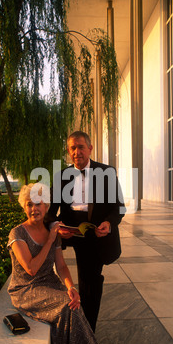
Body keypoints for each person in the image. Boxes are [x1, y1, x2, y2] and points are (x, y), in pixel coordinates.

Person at [7, 183, 127, 344]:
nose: (35, 209)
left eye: (39, 203)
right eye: (29, 204)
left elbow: (61, 267)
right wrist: (51, 240)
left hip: (49, 286)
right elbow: (31, 269)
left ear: (47, 206)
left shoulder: (52, 231)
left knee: (72, 304)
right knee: (67, 308)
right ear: (24, 207)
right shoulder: (18, 233)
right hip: (26, 290)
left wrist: (71, 287)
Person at [47, 131, 125, 333]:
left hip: (96, 232)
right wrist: (58, 227)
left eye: (81, 147)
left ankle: (88, 329)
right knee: (87, 280)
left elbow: (118, 207)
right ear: (68, 151)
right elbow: (50, 212)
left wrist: (109, 222)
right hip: (71, 231)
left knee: (89, 280)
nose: (76, 152)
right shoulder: (61, 176)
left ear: (90, 148)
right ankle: (86, 327)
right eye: (72, 148)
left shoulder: (107, 172)